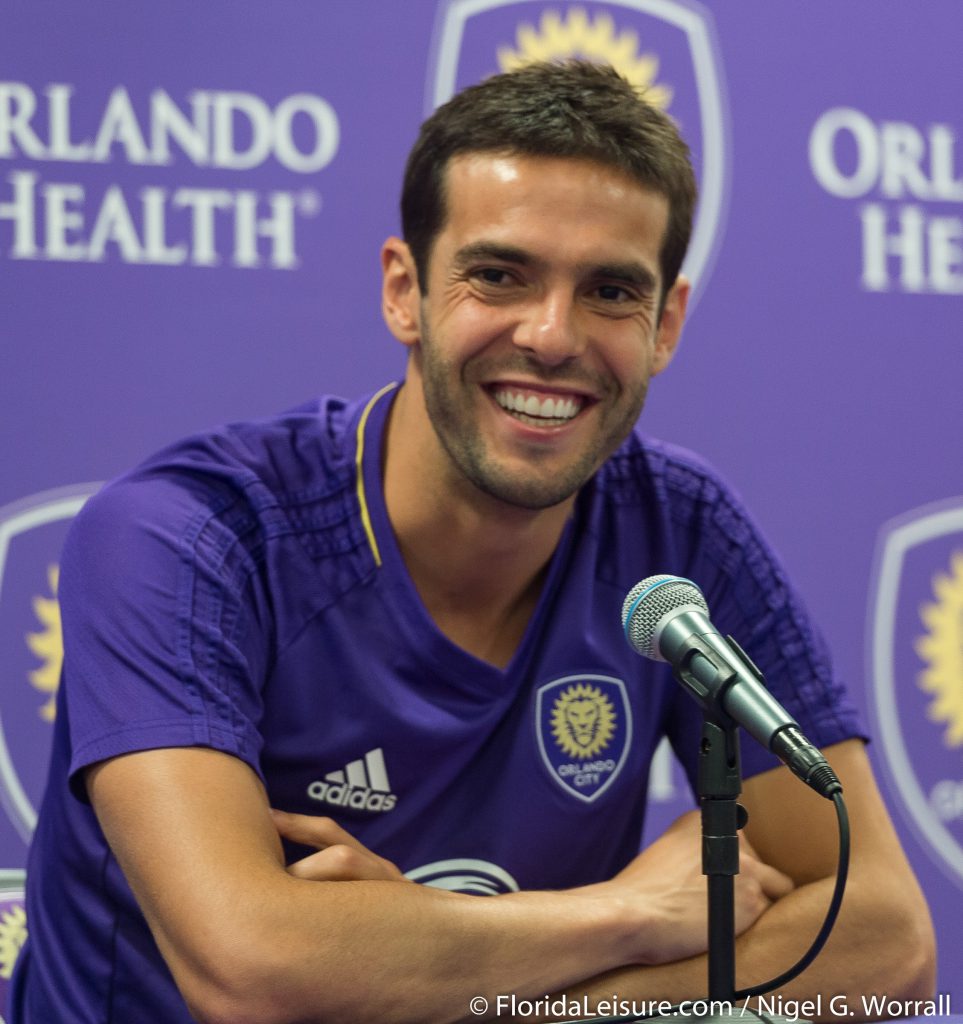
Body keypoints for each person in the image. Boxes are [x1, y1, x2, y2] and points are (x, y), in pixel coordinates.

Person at [10, 61, 934, 1023]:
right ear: (404, 292)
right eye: (498, 275)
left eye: (611, 291)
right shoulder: (188, 539)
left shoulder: (680, 531)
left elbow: (882, 937)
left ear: (665, 325)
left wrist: (493, 991)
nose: (550, 335)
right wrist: (616, 915)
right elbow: (252, 971)